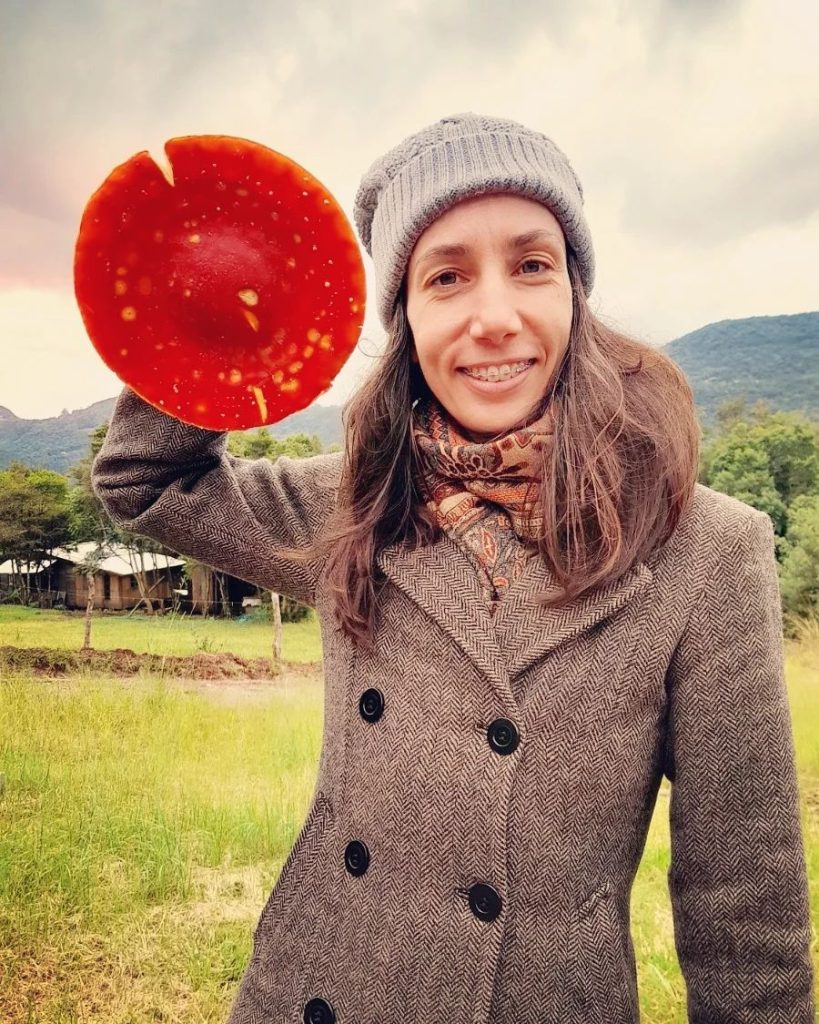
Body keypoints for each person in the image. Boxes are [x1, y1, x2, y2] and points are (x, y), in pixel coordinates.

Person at [91, 112, 814, 1023]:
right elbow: (144, 481)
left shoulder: (706, 550)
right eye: (445, 277)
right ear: (405, 317)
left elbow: (743, 908)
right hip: (319, 990)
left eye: (531, 264)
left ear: (575, 291)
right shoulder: (355, 501)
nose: (495, 316)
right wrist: (232, 303)